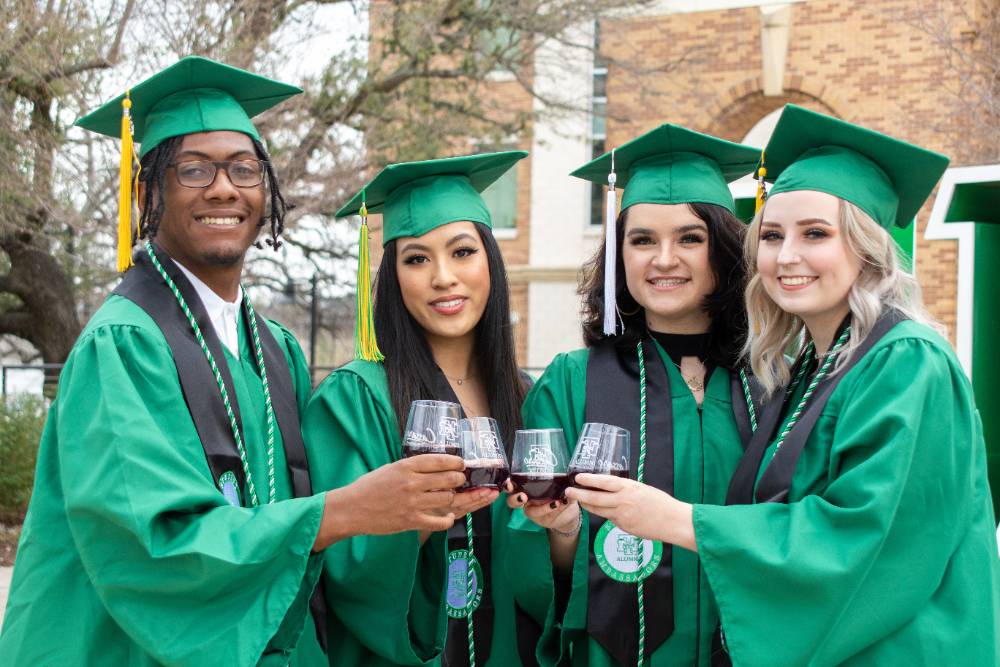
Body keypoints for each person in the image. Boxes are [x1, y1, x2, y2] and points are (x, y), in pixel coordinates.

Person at [0, 56, 465, 667]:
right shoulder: (122, 345)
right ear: (147, 193)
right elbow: (154, 546)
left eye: (244, 168)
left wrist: (412, 515)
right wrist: (347, 508)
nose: (223, 187)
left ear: (266, 191)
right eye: (193, 169)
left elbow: (319, 529)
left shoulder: (276, 348)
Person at [567, 104, 1000, 665]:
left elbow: (864, 537)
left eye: (815, 233)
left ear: (867, 249)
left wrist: (676, 519)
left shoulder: (908, 362)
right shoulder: (809, 371)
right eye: (771, 235)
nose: (787, 255)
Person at [514, 124, 761, 666]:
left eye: (689, 239)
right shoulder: (571, 381)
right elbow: (529, 565)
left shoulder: (773, 381)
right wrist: (564, 527)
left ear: (724, 250)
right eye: (642, 239)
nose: (663, 259)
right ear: (619, 254)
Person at [301, 151, 547, 666]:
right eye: (416, 258)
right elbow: (342, 566)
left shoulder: (525, 396)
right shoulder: (356, 398)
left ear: (490, 264)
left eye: (462, 252)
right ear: (392, 276)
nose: (442, 277)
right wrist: (417, 515)